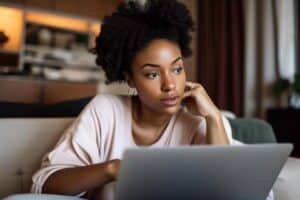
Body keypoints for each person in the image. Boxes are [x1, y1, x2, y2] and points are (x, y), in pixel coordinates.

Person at [31, 0, 272, 200]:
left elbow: (226, 190)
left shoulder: (197, 121)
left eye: (177, 69)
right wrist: (113, 168)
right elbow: (47, 184)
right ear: (130, 79)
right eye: (152, 74)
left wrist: (214, 117)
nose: (169, 85)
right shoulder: (105, 110)